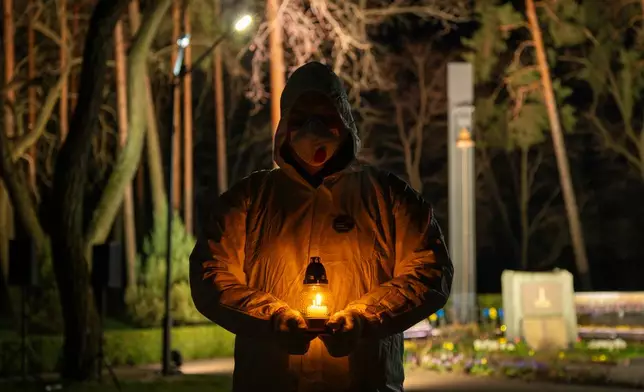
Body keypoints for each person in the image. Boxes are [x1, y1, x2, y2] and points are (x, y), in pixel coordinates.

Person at [190, 61, 453, 392]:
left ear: (344, 121)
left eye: (325, 118)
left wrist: (364, 318)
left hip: (364, 383)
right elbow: (210, 274)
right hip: (271, 382)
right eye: (301, 119)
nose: (312, 129)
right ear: (284, 125)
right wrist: (272, 318)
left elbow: (431, 270)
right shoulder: (249, 201)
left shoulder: (387, 197)